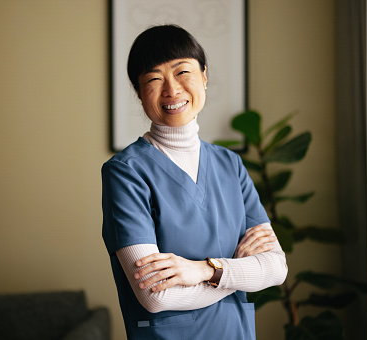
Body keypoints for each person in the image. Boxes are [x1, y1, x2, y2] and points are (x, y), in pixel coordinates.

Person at [102, 24, 287, 340]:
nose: (171, 90)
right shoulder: (126, 172)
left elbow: (276, 268)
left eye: (182, 71)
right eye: (153, 79)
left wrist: (205, 270)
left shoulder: (230, 164)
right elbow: (156, 296)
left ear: (204, 75)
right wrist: (237, 273)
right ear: (138, 91)